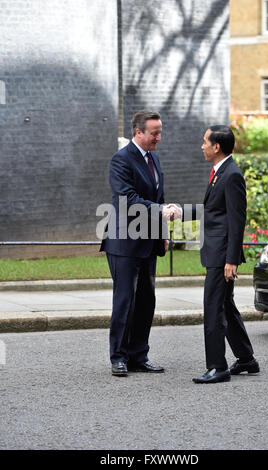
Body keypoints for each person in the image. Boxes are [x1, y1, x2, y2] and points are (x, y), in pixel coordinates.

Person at [174, 125, 259, 384]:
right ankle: (246, 359)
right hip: (218, 253)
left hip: (222, 256)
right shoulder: (219, 172)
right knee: (225, 305)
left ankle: (217, 367)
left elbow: (236, 219)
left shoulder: (231, 175)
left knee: (213, 308)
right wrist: (180, 212)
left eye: (204, 142)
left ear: (216, 147)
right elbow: (212, 209)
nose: (202, 146)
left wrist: (231, 259)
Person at [100, 110, 175, 377]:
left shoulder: (153, 157)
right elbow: (127, 199)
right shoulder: (121, 159)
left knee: (146, 300)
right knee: (124, 301)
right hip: (124, 242)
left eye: (160, 131)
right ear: (138, 132)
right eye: (154, 132)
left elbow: (159, 195)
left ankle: (139, 355)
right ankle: (118, 357)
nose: (159, 137)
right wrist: (161, 209)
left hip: (148, 241)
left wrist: (163, 233)